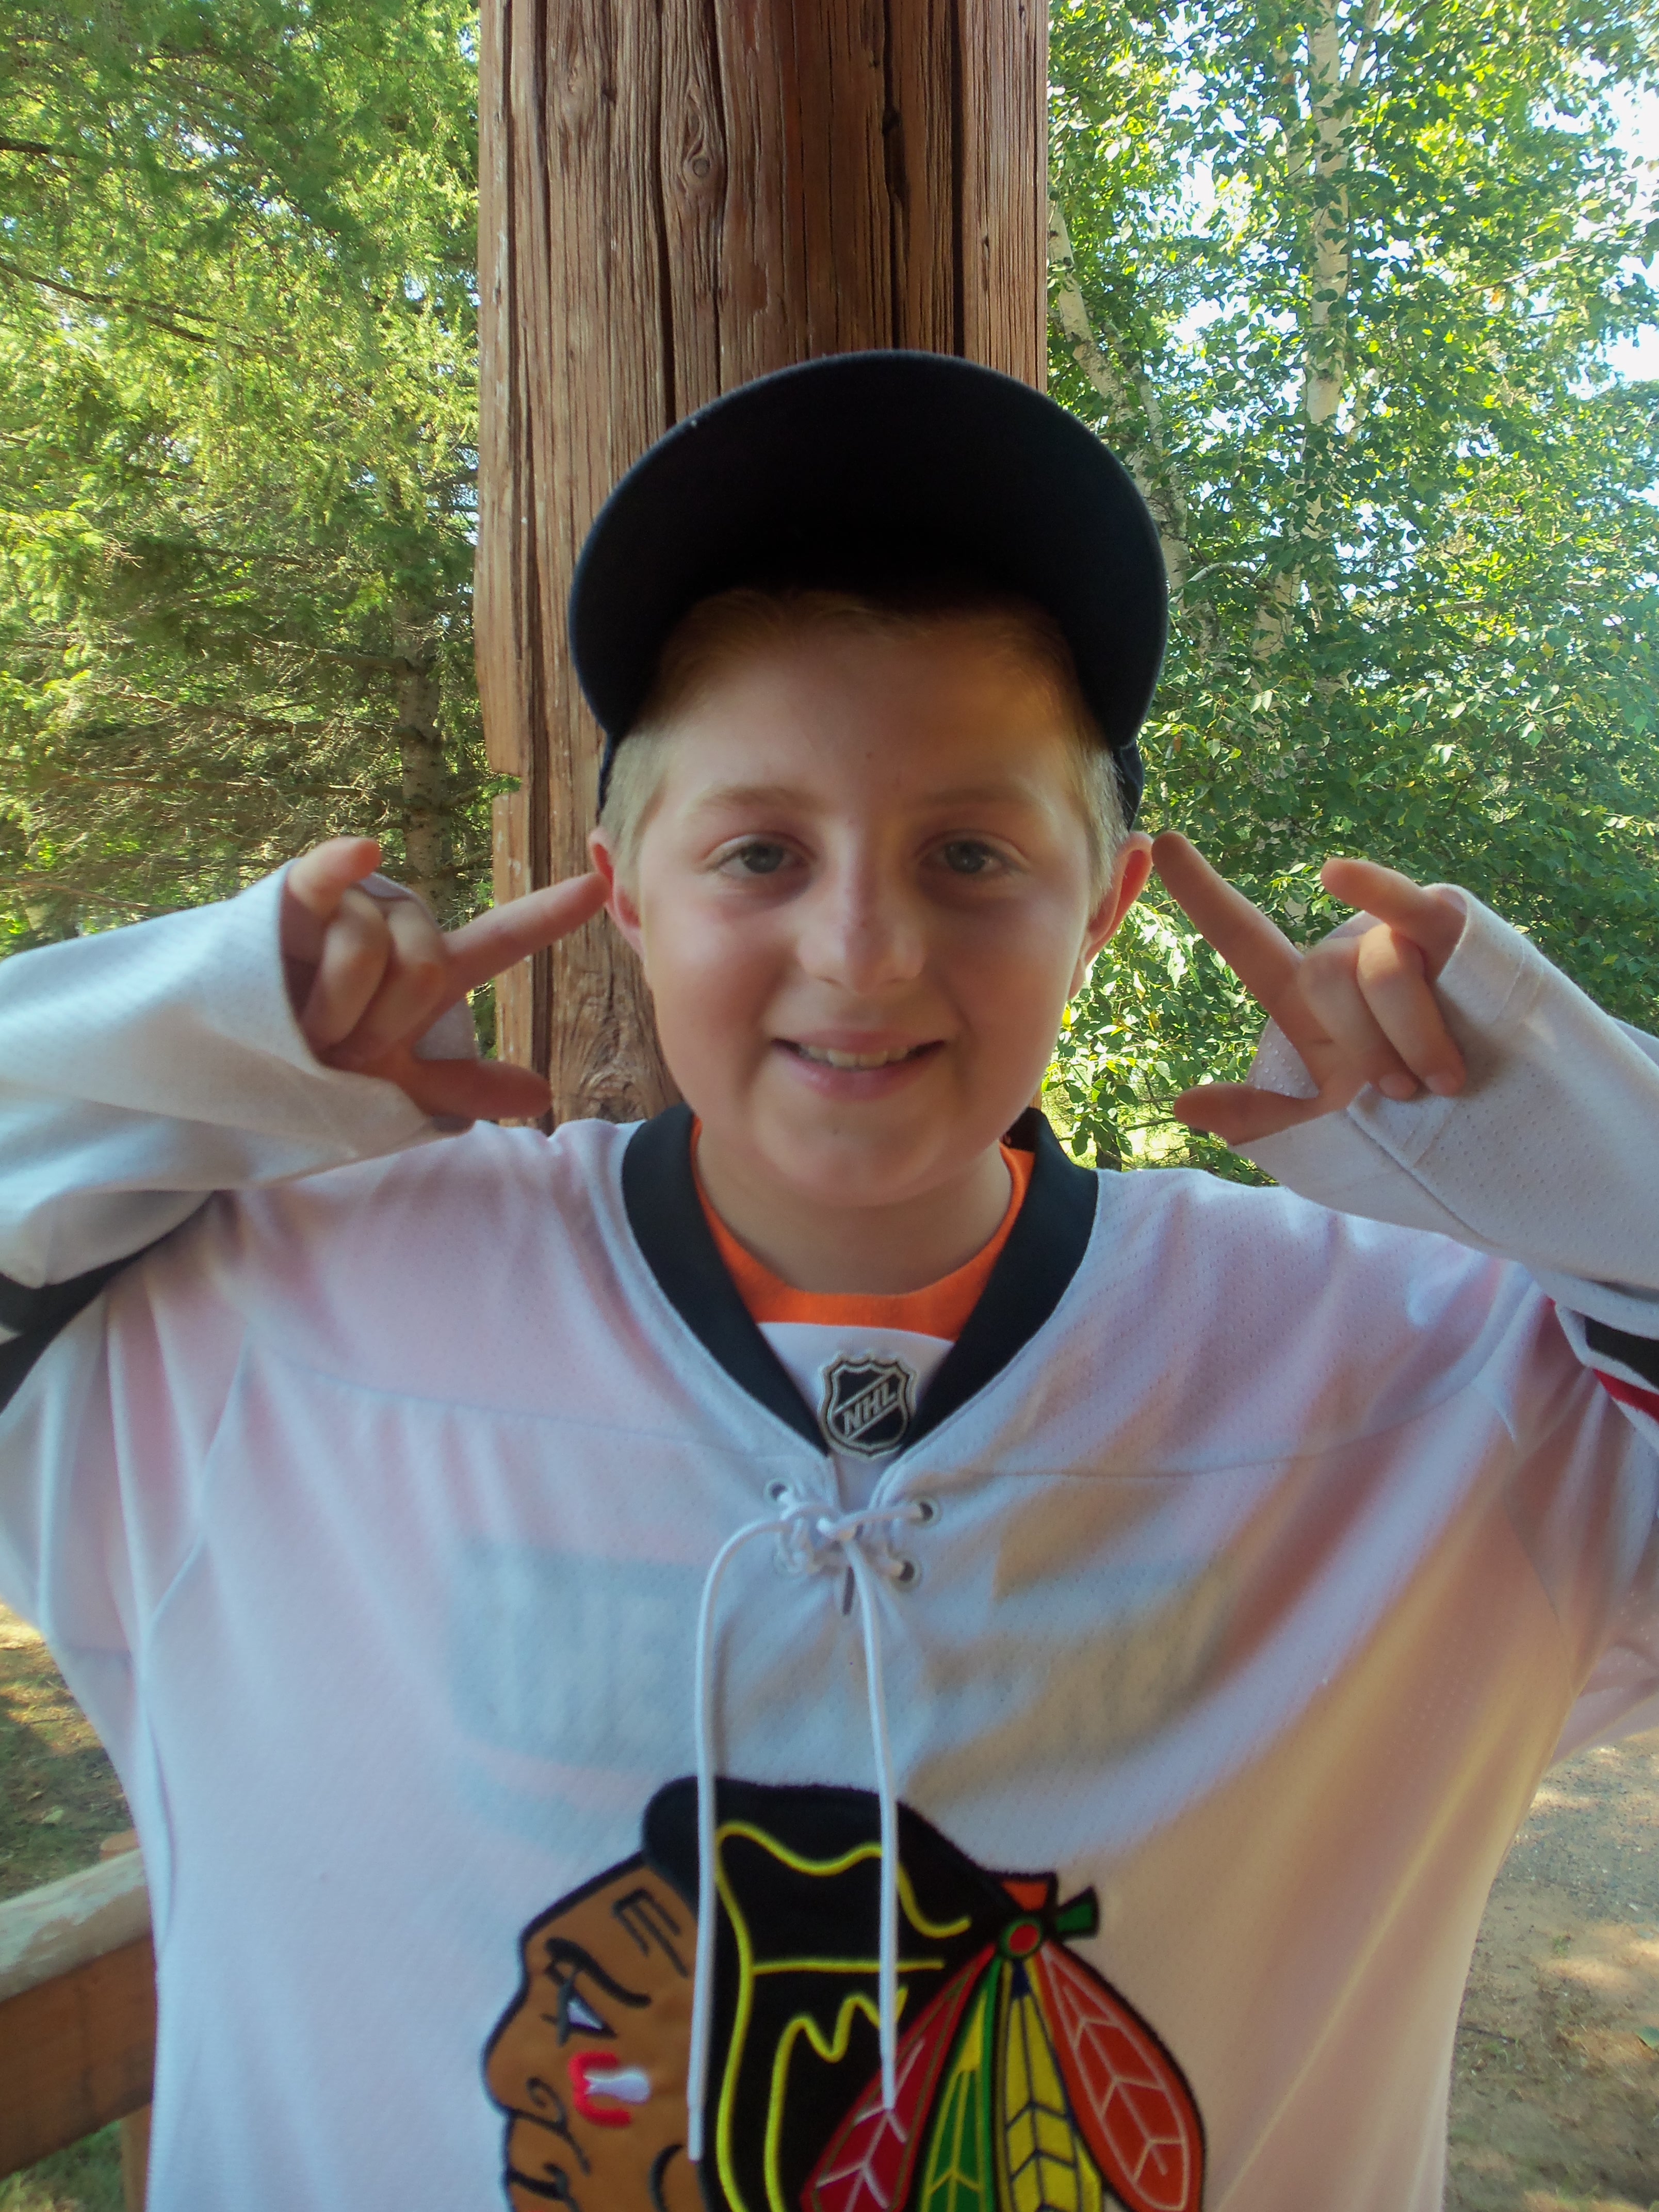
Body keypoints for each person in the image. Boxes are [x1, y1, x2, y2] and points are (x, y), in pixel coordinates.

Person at [0, 351, 1653, 2212]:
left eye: (971, 853)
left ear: (1103, 907)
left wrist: (1538, 1138)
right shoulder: (273, 1326)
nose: (863, 953)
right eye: (761, 853)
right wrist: (214, 1041)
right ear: (627, 888)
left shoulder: (1408, 1374)